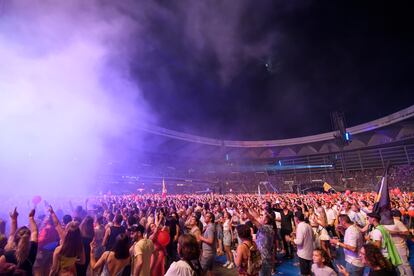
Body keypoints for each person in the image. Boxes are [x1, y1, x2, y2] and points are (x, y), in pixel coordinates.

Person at [0, 208, 38, 276]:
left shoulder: (7, 253)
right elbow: (34, 232)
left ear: (15, 239)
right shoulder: (32, 250)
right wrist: (31, 218)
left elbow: (11, 234)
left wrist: (14, 219)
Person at [383, 209, 413, 276]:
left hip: (399, 245)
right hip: (390, 245)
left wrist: (395, 232)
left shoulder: (397, 222)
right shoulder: (384, 223)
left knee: (405, 264)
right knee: (397, 263)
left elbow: (407, 232)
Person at [293, 212, 314, 276]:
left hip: (303, 254)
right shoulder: (308, 225)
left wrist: (291, 240)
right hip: (309, 251)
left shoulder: (300, 226)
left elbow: (299, 242)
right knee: (308, 272)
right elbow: (312, 236)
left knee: (304, 273)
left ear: (296, 218)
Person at [199, 212, 216, 276]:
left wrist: (201, 238)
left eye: (207, 216)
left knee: (202, 272)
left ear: (211, 219)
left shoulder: (210, 227)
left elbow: (210, 240)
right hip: (210, 252)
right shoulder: (209, 226)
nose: (205, 217)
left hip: (207, 253)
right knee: (210, 271)